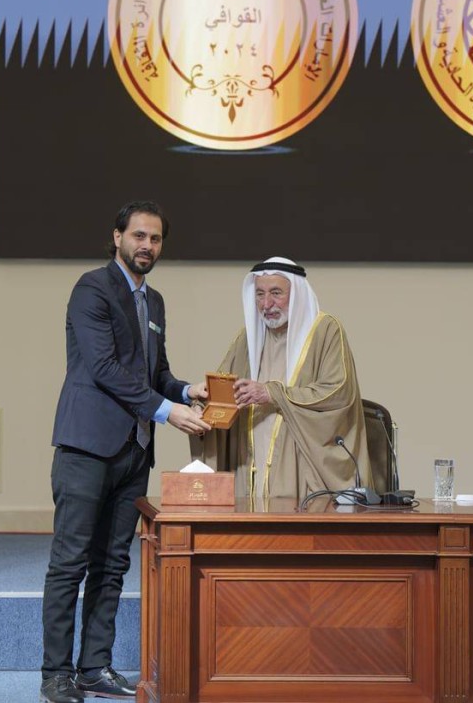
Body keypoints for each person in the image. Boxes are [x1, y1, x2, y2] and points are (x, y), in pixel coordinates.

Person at [40, 202, 209, 703]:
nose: (147, 246)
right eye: (138, 235)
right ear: (117, 237)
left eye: (155, 239)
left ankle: (94, 668)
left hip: (135, 451)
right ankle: (55, 675)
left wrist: (186, 392)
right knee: (70, 563)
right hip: (87, 447)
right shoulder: (92, 288)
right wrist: (167, 411)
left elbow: (154, 373)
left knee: (112, 564)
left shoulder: (154, 302)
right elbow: (104, 369)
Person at [190, 257, 370, 500]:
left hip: (300, 466)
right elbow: (222, 390)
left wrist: (271, 393)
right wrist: (200, 408)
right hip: (249, 464)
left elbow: (338, 393)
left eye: (276, 293)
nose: (267, 304)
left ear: (296, 294)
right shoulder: (247, 338)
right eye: (260, 294)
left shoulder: (325, 331)